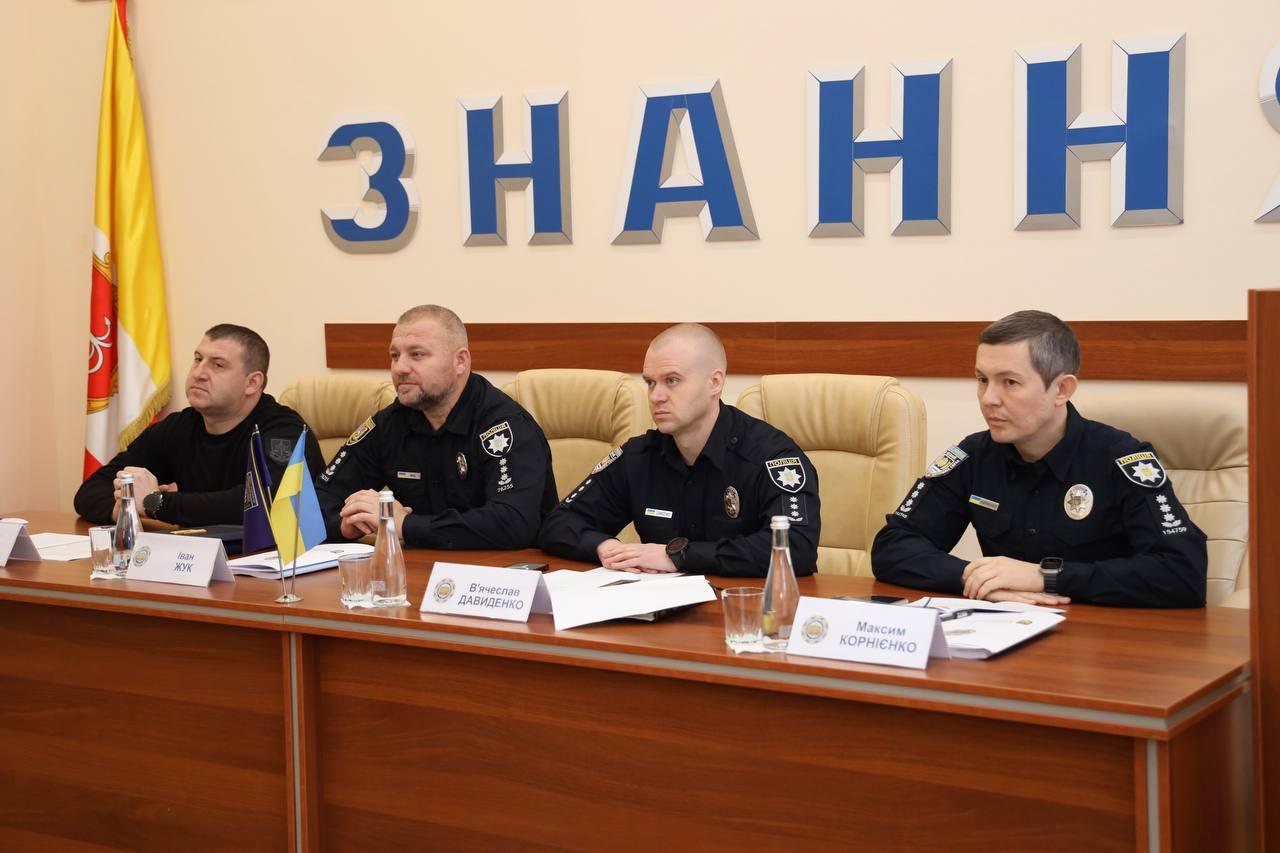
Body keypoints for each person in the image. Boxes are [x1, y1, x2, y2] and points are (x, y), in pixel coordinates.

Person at [871, 310, 1207, 608]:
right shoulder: (973, 456)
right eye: (982, 380)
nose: (988, 399)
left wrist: (1046, 577)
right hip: (1004, 632)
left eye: (1010, 382)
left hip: (1106, 641)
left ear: (1062, 390)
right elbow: (892, 547)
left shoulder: (1121, 458)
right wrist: (977, 577)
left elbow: (1183, 573)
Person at [538, 323, 821, 577]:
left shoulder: (771, 456)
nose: (656, 396)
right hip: (659, 607)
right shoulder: (639, 456)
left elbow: (796, 548)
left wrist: (678, 556)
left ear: (715, 383)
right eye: (650, 383)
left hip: (748, 608)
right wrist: (604, 546)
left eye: (672, 380)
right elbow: (558, 523)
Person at [316, 304, 556, 549]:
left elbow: (513, 523)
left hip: (498, 570)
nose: (399, 368)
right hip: (418, 566)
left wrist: (406, 525)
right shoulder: (389, 424)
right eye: (395, 356)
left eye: (417, 354)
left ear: (460, 361)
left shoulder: (504, 427)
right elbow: (315, 504)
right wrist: (344, 524)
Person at [75, 324, 323, 527]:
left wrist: (155, 502)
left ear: (252, 383)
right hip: (196, 559)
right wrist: (126, 507)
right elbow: (90, 491)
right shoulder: (179, 426)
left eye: (218, 364)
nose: (198, 373)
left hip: (273, 564)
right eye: (197, 359)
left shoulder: (284, 431)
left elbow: (262, 503)